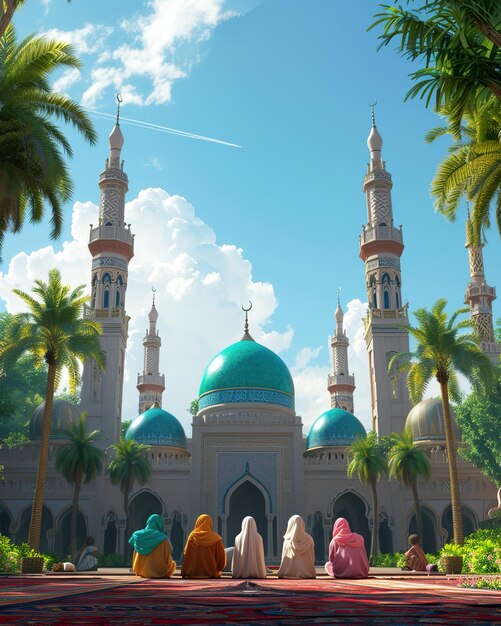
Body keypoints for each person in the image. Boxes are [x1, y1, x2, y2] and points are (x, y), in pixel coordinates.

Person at [129, 514, 176, 578]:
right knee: (173, 564)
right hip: (159, 571)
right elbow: (170, 551)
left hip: (140, 571)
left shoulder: (137, 535)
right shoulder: (163, 538)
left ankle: (141, 569)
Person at [181, 514, 226, 578]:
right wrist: (217, 570)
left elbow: (186, 556)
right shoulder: (216, 539)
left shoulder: (192, 537)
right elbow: (221, 560)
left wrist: (185, 571)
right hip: (211, 574)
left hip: (193, 574)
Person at [278, 514, 316, 578]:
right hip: (308, 574)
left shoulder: (287, 541)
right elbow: (312, 558)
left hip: (288, 573)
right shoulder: (309, 540)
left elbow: (284, 559)